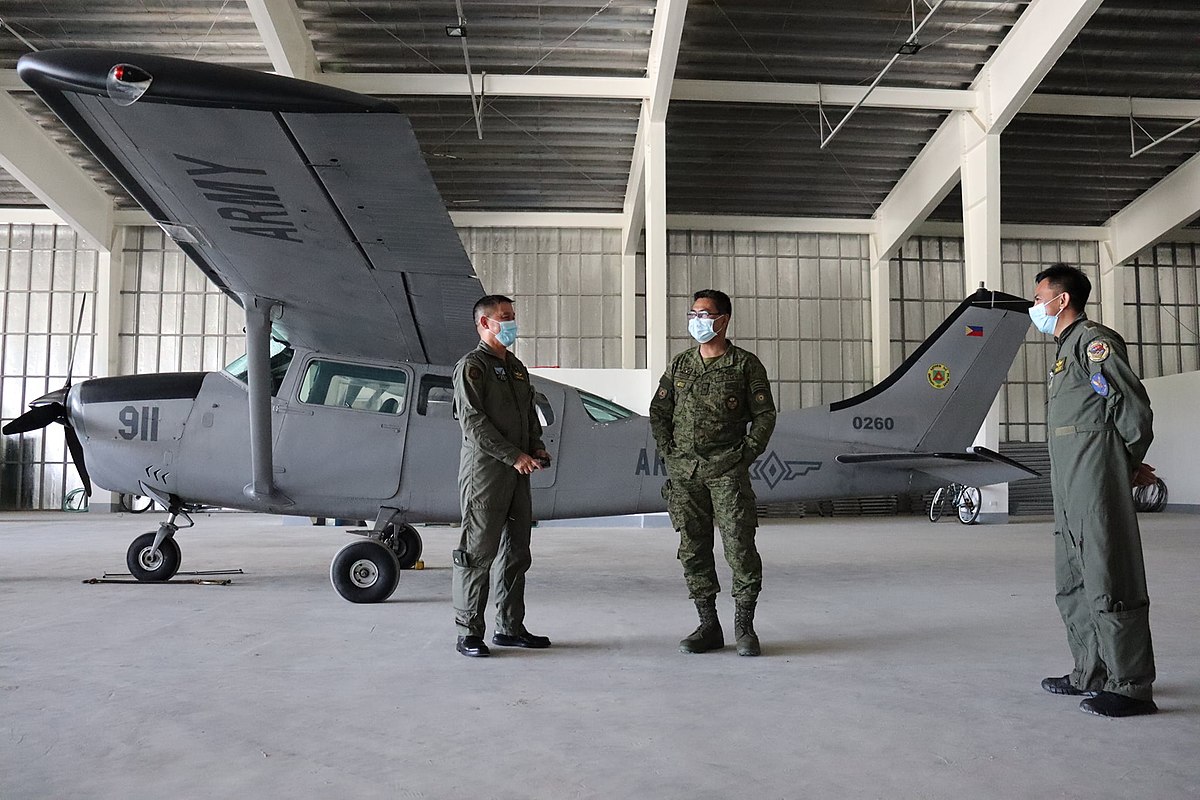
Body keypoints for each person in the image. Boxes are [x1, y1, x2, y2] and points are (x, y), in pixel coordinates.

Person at [1031, 263, 1158, 717]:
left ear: (1060, 300)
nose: (1036, 306)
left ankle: (1130, 686)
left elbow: (1130, 405)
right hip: (1070, 483)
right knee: (1073, 579)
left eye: (1039, 296)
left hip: (1096, 478)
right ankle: (1091, 671)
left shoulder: (1092, 342)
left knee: (1110, 574)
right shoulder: (1064, 352)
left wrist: (1125, 462)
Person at [649, 289, 777, 656]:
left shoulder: (745, 365)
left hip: (727, 472)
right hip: (685, 474)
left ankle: (744, 628)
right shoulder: (680, 365)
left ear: (723, 320)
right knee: (693, 548)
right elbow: (659, 412)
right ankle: (708, 626)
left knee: (739, 547)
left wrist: (745, 454)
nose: (696, 321)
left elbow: (765, 416)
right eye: (692, 314)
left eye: (704, 314)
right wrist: (669, 453)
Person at [451, 294, 553, 658]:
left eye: (512, 317)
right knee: (478, 553)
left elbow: (528, 417)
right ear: (484, 323)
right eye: (504, 318)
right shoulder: (471, 367)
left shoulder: (517, 368)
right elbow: (473, 422)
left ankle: (509, 627)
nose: (511, 323)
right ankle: (468, 632)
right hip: (487, 473)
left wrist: (536, 447)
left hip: (518, 471)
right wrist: (514, 456)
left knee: (516, 553)